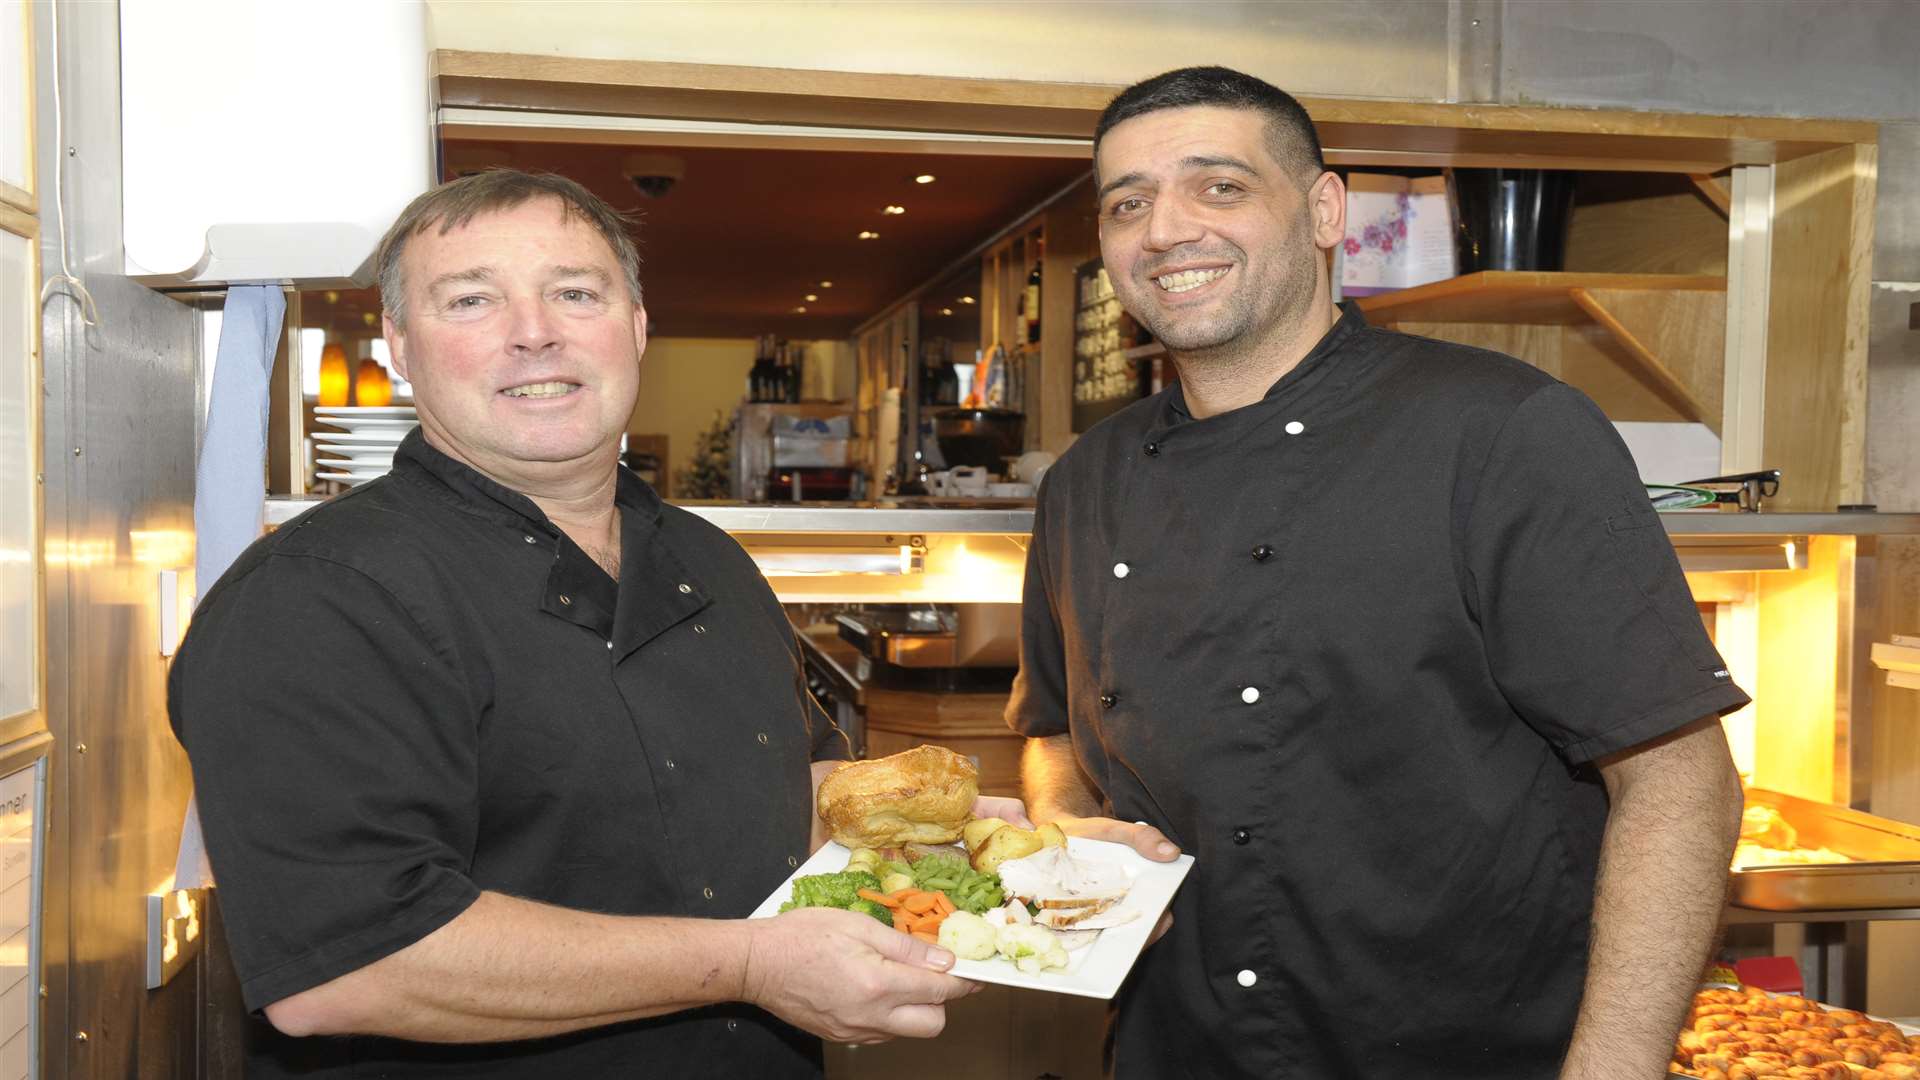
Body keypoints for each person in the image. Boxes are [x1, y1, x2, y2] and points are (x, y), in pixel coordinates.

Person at [169, 170, 1014, 1078]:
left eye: (575, 293)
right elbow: (349, 965)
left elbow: (789, 798)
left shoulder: (710, 560)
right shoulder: (317, 598)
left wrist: (995, 848)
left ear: (637, 327)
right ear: (401, 349)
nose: (535, 332)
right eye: (471, 300)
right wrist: (749, 965)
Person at [1009, 67, 1748, 1079]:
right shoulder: (1084, 481)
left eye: (1218, 187)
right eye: (1126, 204)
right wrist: (1063, 826)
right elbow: (1052, 732)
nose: (1165, 230)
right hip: (1174, 1044)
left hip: (1468, 1053)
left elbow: (1677, 779)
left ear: (1323, 212)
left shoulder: (1500, 433)